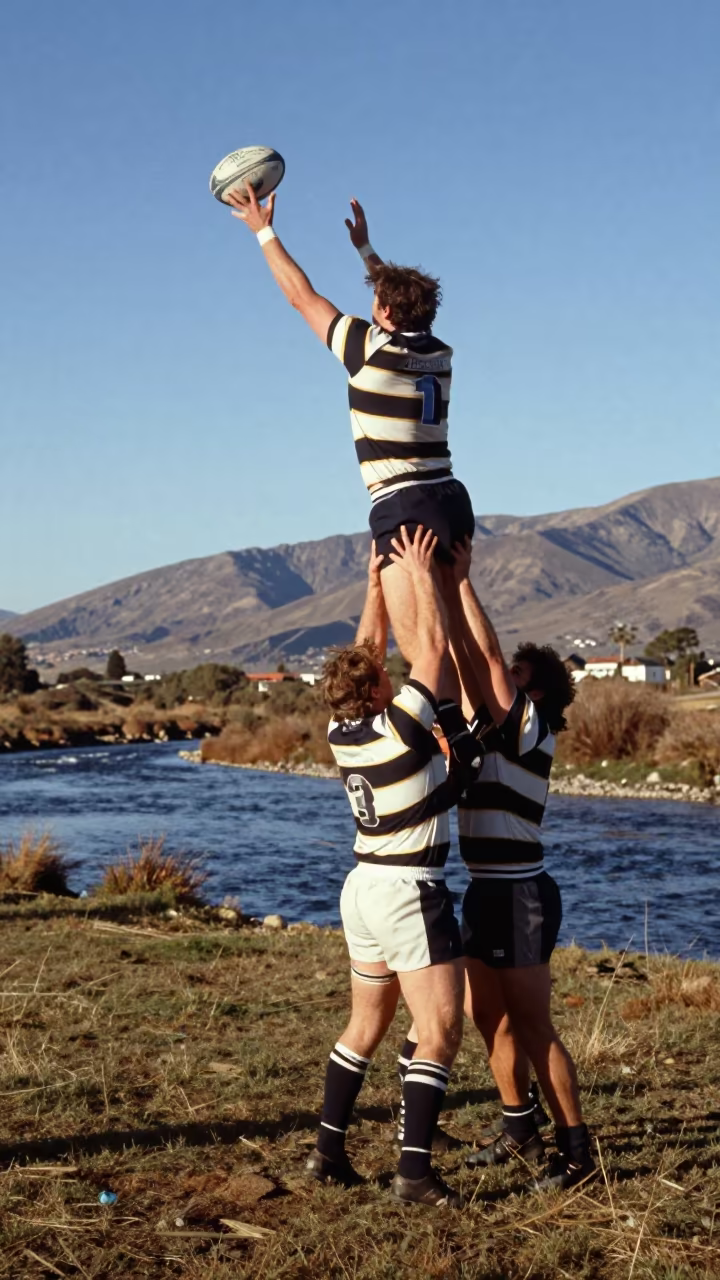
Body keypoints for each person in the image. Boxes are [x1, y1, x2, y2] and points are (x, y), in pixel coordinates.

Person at [304, 526, 479, 1209]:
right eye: (381, 674)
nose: (387, 670)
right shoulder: (404, 729)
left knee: (365, 1027)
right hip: (410, 890)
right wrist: (423, 581)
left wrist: (374, 589)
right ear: (379, 690)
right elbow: (429, 650)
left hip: (362, 890)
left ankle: (327, 1153)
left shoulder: (342, 730)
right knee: (438, 1030)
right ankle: (412, 1175)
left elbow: (366, 655)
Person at [227, 186, 475, 665]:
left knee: (424, 651)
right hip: (450, 498)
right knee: (458, 635)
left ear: (382, 313)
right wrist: (365, 250)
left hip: (405, 505)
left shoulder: (369, 350)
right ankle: (479, 731)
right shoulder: (439, 354)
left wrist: (264, 232)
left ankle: (440, 736)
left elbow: (302, 296)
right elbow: (401, 303)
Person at [445, 540, 596, 1191]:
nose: (506, 675)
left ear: (537, 690)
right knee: (490, 1019)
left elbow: (484, 656)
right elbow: (463, 659)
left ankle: (577, 1153)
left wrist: (463, 583)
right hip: (483, 892)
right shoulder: (488, 732)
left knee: (534, 1026)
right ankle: (519, 1130)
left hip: (523, 894)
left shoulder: (532, 726)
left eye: (519, 672)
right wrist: (442, 598)